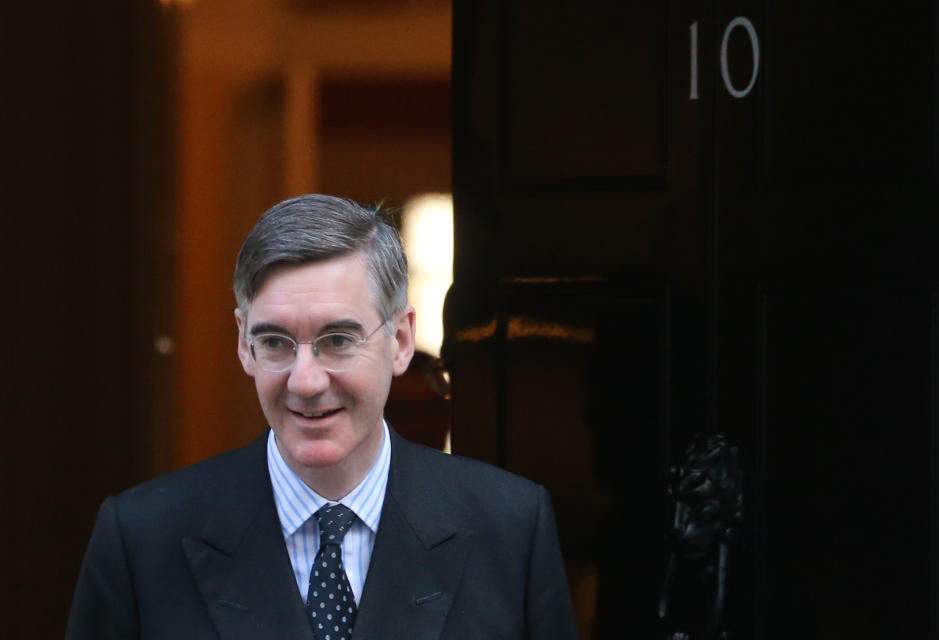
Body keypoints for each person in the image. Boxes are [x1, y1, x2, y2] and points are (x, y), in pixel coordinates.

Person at [66, 194, 578, 640]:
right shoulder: (142, 539)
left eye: (338, 340)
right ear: (243, 344)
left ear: (400, 341)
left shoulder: (508, 527)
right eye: (274, 342)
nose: (305, 381)